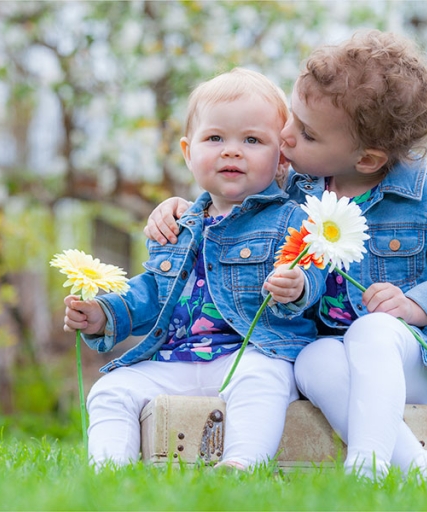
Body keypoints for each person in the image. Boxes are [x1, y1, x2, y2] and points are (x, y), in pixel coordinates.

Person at [144, 30, 427, 481]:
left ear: (368, 158)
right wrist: (180, 210)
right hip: (336, 354)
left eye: (307, 134)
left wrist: (417, 306)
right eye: (292, 119)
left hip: (417, 362)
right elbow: (230, 201)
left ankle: (367, 467)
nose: (286, 137)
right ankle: (420, 470)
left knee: (372, 330)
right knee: (312, 359)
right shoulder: (296, 188)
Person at [63, 68, 326, 470]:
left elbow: (315, 274)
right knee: (111, 388)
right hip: (176, 360)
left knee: (264, 380)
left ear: (281, 160)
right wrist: (103, 314)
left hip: (248, 353)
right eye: (215, 138)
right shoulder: (178, 225)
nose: (231, 150)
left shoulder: (290, 219)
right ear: (188, 152)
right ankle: (109, 471)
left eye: (252, 140)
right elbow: (153, 291)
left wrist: (299, 286)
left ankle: (241, 464)